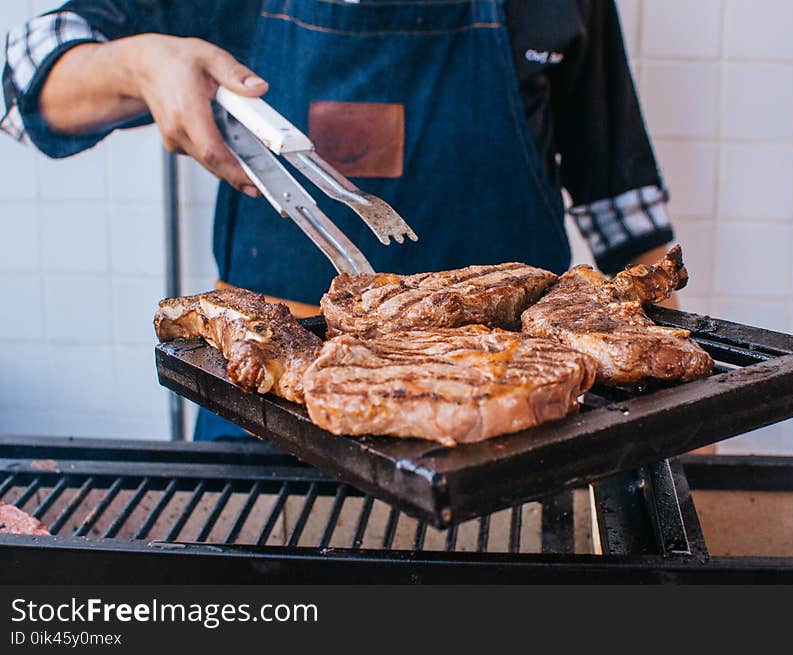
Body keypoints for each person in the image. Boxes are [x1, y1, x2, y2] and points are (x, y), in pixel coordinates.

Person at [2, 0, 677, 441]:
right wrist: (138, 62)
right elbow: (24, 74)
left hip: (517, 423)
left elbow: (631, 219)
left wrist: (681, 423)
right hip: (271, 399)